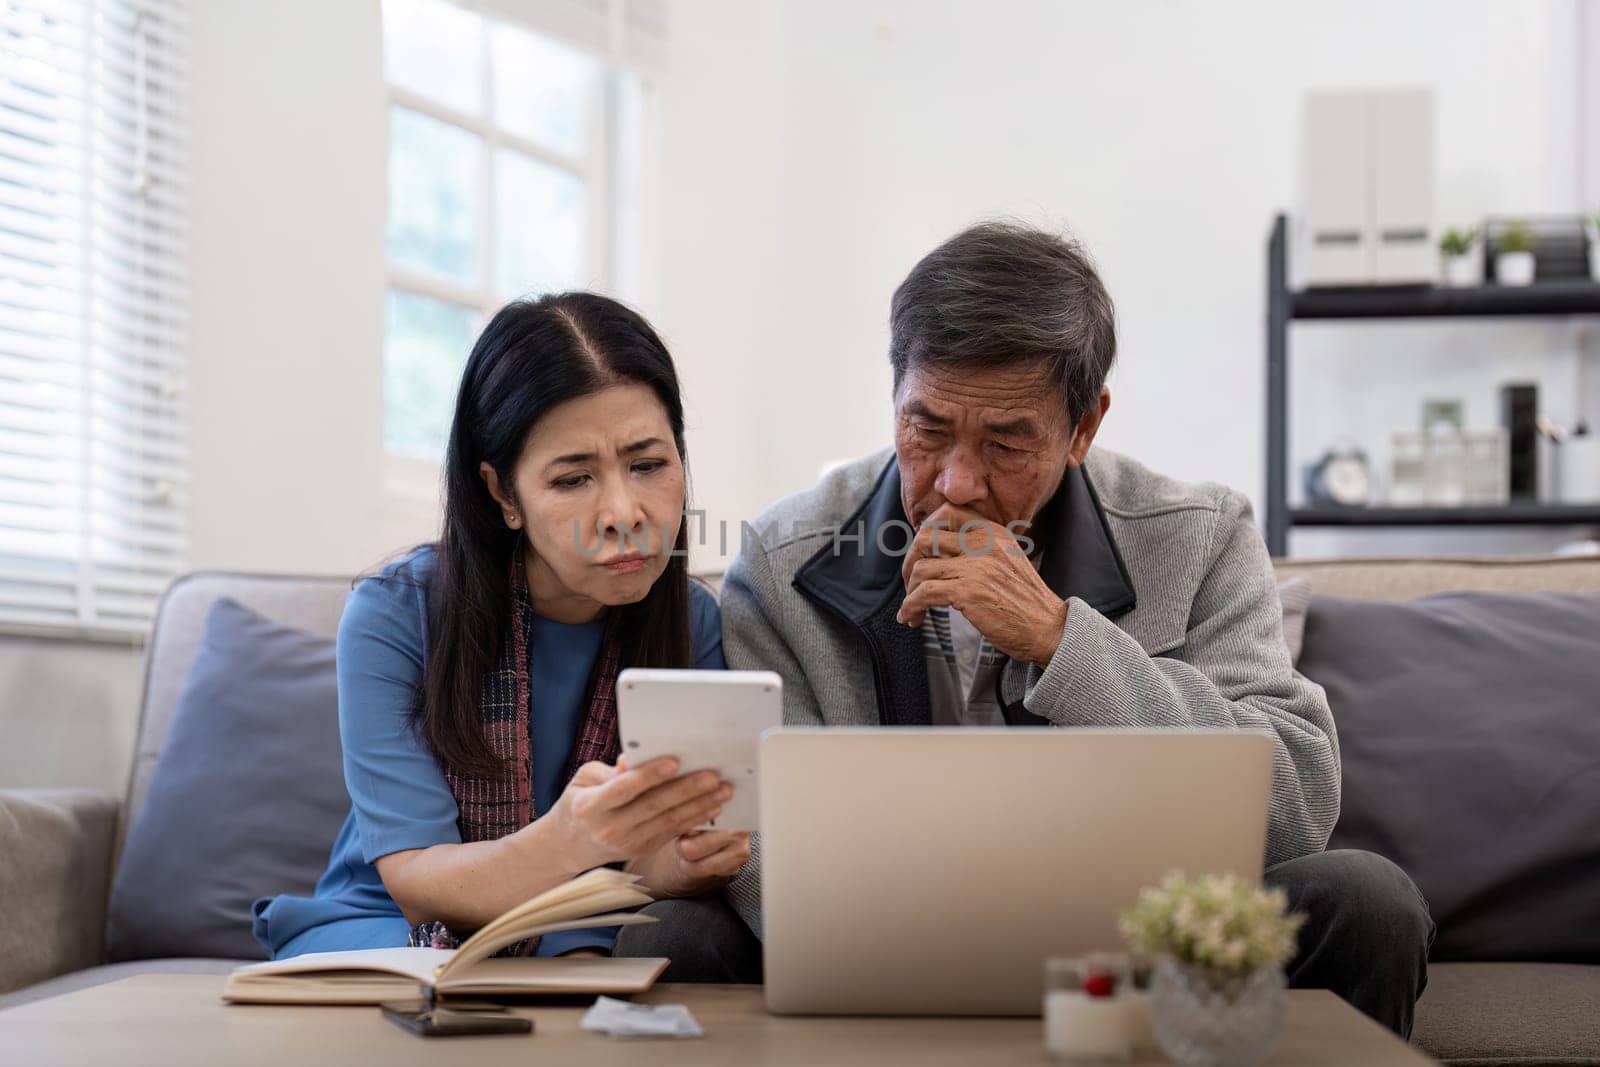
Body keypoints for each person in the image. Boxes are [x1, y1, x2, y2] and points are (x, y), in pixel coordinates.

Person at [717, 222, 1434, 1035]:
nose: (958, 481)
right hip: (875, 935)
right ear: (895, 402)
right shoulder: (785, 558)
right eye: (928, 428)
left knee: (1367, 900)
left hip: (1143, 936)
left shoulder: (1200, 534)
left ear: (1084, 427)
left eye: (1006, 442)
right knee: (683, 936)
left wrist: (1064, 641)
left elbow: (1295, 803)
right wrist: (909, 944)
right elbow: (754, 826)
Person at [252, 293, 752, 978]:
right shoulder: (396, 611)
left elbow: (648, 864)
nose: (624, 512)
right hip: (396, 925)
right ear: (503, 494)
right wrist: (571, 840)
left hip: (585, 917)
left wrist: (676, 865)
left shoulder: (692, 622)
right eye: (573, 477)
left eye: (648, 464)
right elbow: (414, 875)